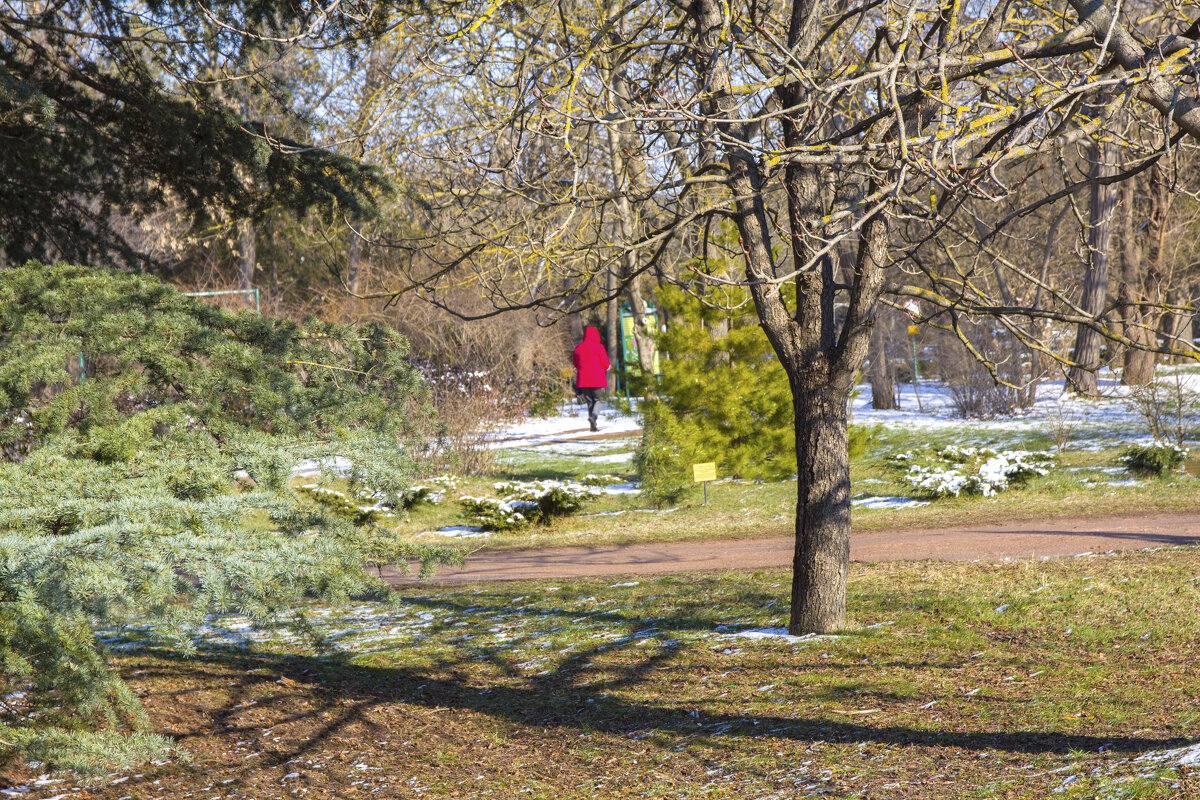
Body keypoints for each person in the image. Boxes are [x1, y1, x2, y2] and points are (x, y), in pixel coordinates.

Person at [572, 326, 611, 432]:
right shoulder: (599, 347)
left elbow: (575, 363)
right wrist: (607, 367)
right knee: (600, 399)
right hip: (597, 380)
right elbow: (606, 364)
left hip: (583, 381)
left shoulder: (578, 348)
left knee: (590, 402)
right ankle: (593, 417)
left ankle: (593, 426)